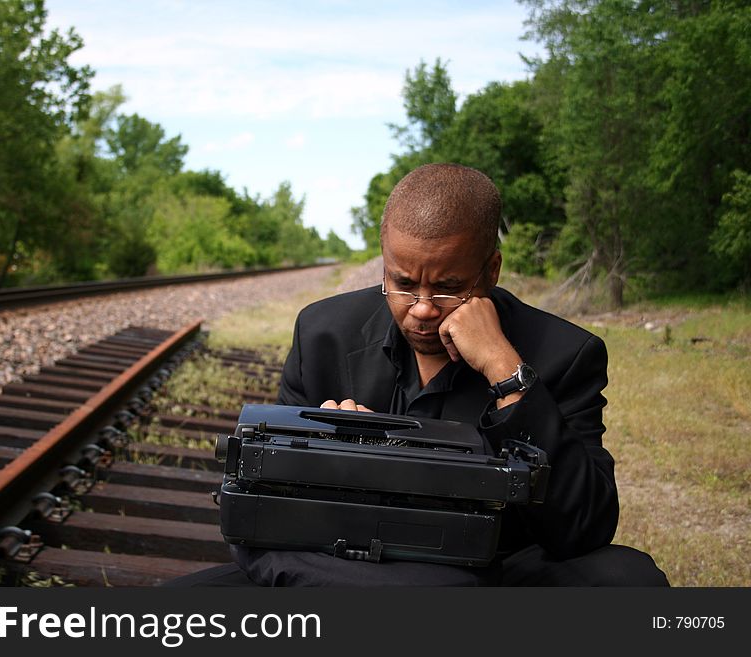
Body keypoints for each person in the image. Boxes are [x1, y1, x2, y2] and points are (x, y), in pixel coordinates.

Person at [169, 162, 669, 587]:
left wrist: (506, 371)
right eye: (402, 283)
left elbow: (583, 529)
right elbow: (265, 511)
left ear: (491, 271)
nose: (422, 309)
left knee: (628, 579)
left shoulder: (566, 353)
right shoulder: (323, 333)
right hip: (339, 566)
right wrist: (334, 456)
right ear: (383, 263)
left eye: (450, 286)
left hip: (489, 572)